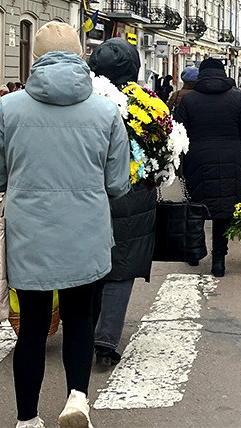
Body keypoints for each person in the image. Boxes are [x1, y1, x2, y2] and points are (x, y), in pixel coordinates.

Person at [0, 22, 130, 428]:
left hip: (31, 237)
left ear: (36, 60)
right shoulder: (106, 111)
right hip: (87, 237)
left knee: (31, 326)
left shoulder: (10, 108)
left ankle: (27, 419)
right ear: (81, 56)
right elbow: (117, 183)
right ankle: (77, 400)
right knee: (81, 319)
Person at [86, 38, 157, 368]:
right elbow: (161, 151)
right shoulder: (148, 106)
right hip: (134, 195)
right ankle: (106, 342)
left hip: (89, 192)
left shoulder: (85, 101)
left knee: (89, 263)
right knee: (121, 266)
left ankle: (85, 331)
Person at [175, 58, 241, 278]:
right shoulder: (236, 98)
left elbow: (177, 134)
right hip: (231, 159)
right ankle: (218, 262)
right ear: (223, 74)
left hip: (197, 160)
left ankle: (194, 253)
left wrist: (170, 165)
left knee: (197, 208)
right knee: (222, 212)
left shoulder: (189, 100)